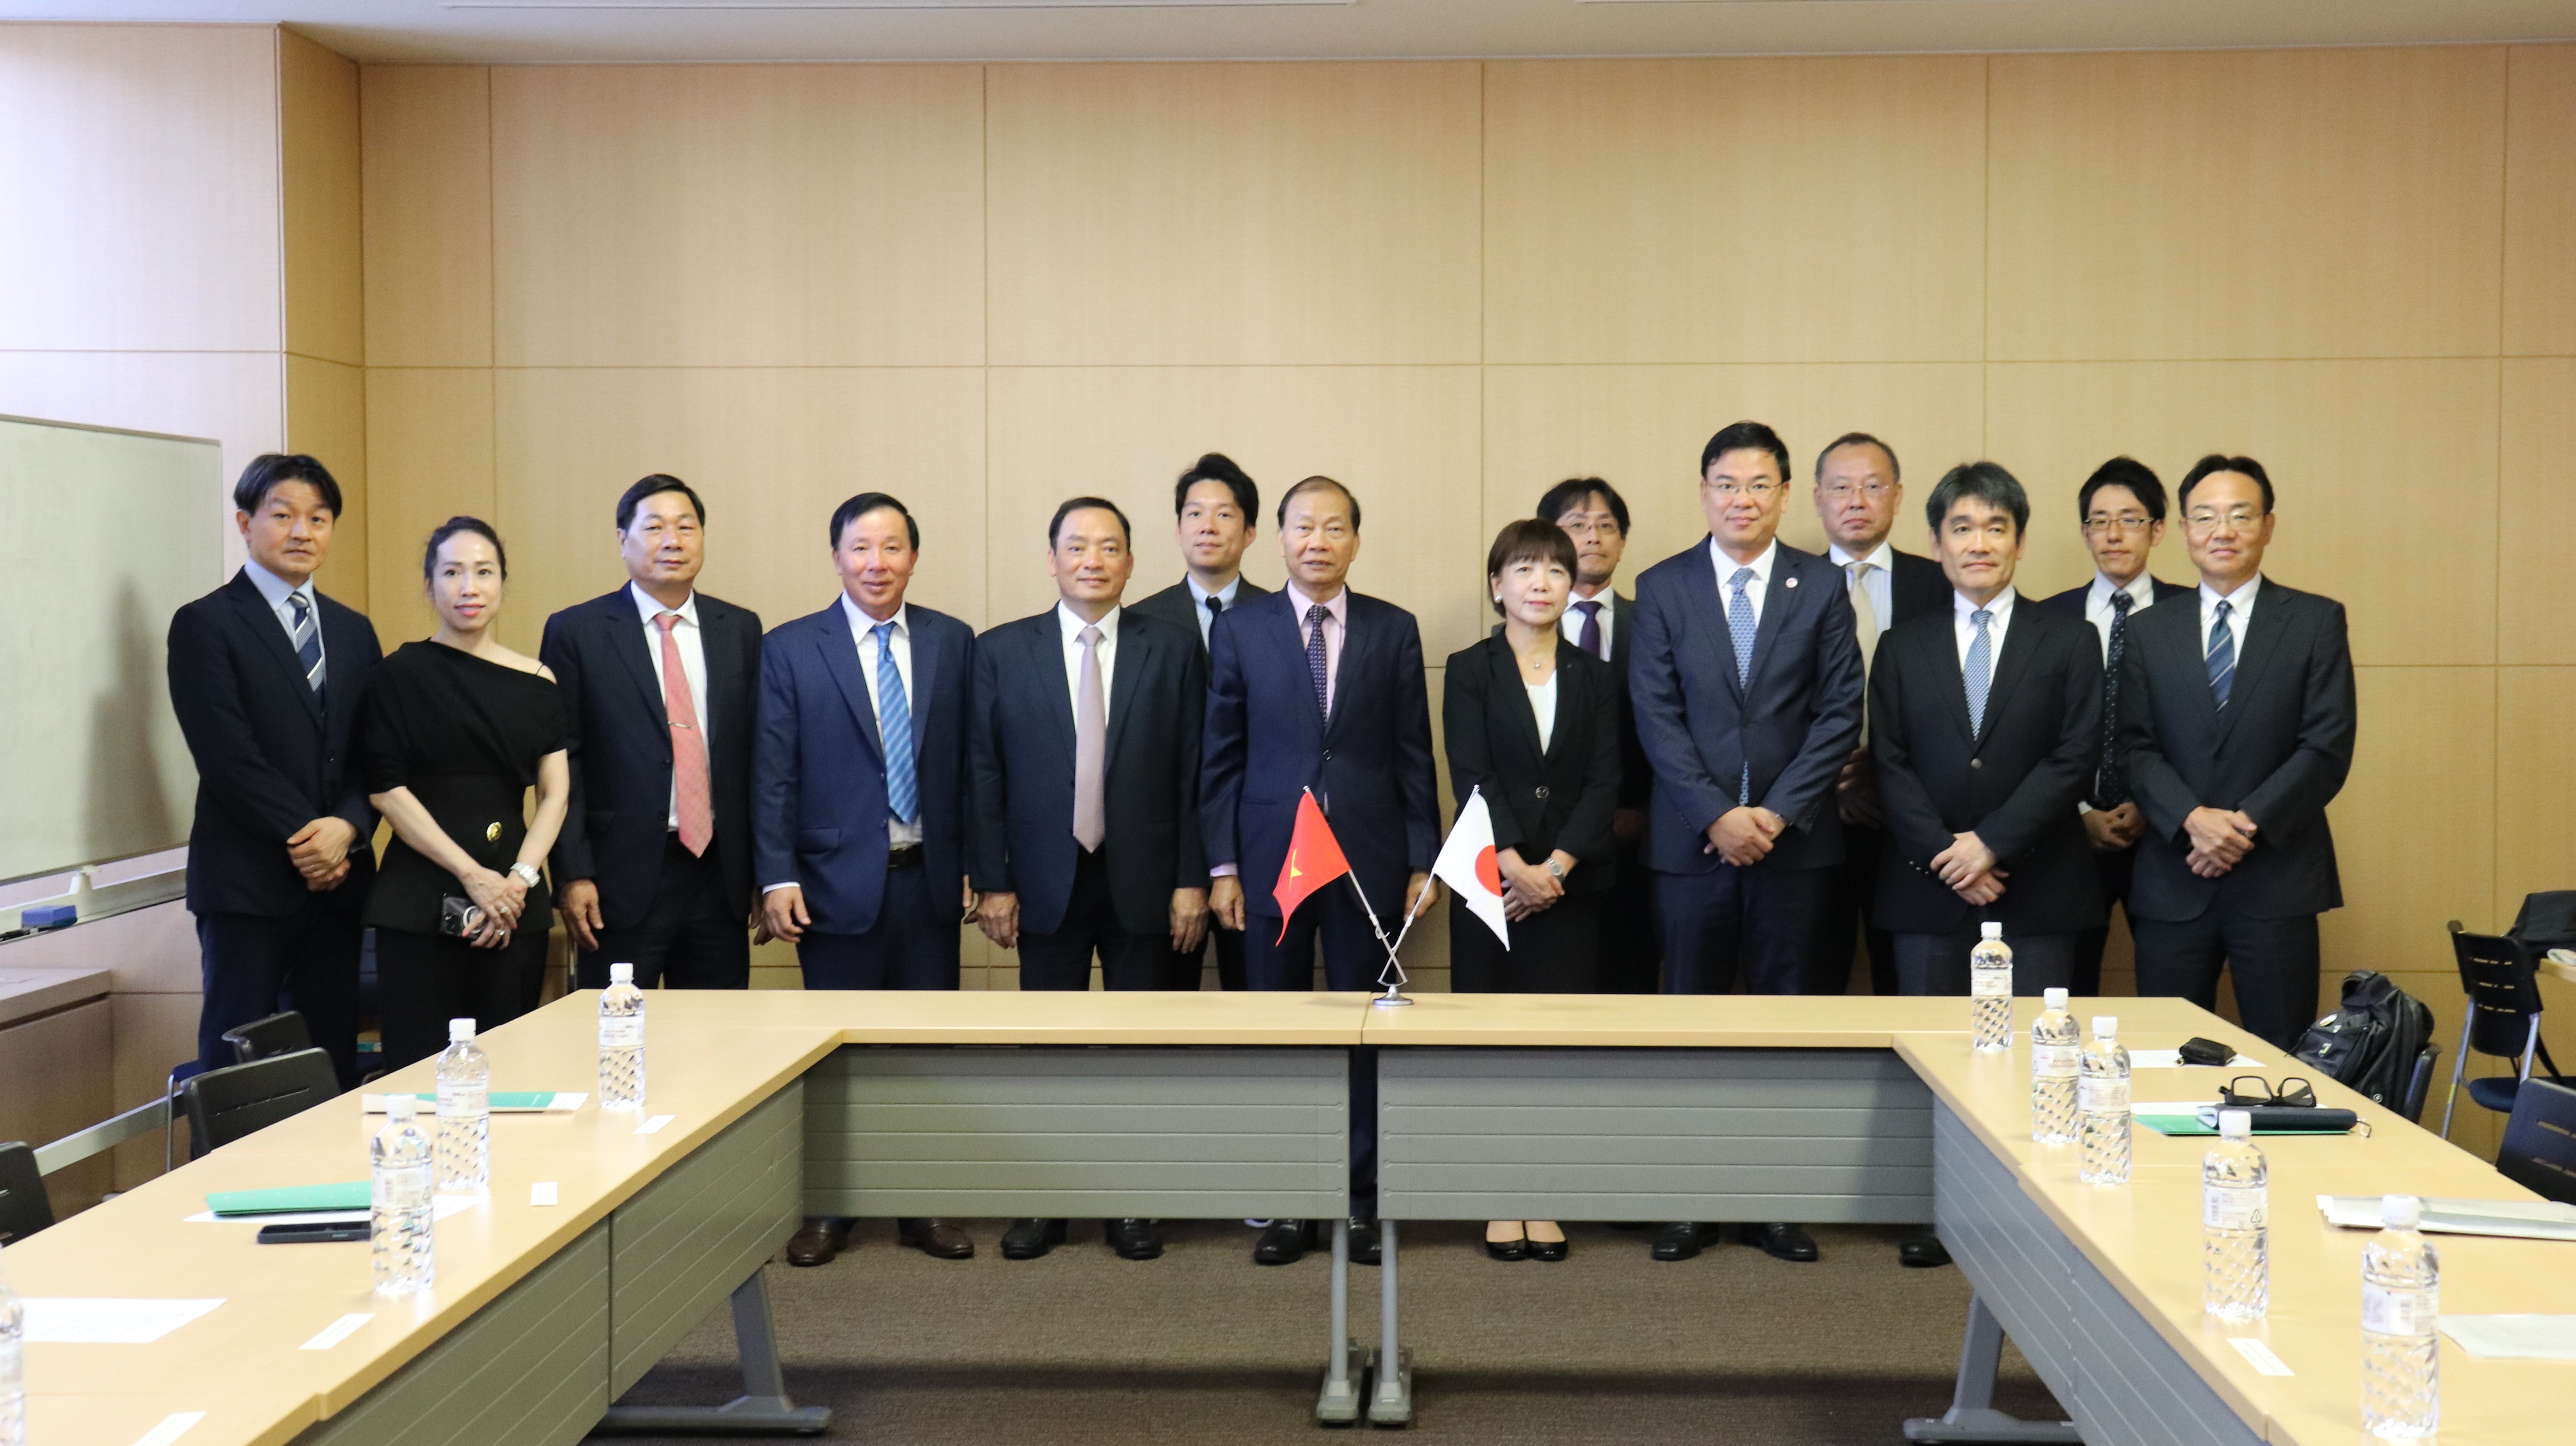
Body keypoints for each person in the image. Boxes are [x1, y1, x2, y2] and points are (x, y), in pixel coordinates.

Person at [1631, 420, 1863, 1265]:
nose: (1742, 499)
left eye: (1759, 484)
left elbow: (1841, 710)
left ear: (1785, 494)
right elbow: (1656, 713)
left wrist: (1775, 813)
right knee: (1689, 1024)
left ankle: (1776, 1202)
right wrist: (1716, 815)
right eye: (1726, 484)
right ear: (1703, 492)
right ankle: (1690, 1200)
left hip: (1793, 850)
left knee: (1785, 1026)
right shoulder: (1662, 586)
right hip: (1691, 850)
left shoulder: (1821, 585)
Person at [1203, 475, 1440, 1267]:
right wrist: (1224, 864)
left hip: (1369, 860)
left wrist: (1422, 859)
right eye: (1303, 527)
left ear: (1356, 541)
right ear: (1279, 539)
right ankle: (1291, 1199)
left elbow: (1414, 753)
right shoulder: (1242, 629)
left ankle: (1361, 1197)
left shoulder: (1392, 629)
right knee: (1280, 1031)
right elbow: (1221, 755)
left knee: (1364, 1030)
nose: (1317, 541)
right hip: (1273, 858)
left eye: (1334, 527)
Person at [970, 497, 1209, 1263]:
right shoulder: (1002, 651)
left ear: (1131, 562)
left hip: (1148, 881)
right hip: (1043, 881)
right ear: (1051, 560)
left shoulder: (1172, 649)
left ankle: (1134, 1199)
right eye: (1077, 546)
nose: (1093, 560)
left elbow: (1195, 773)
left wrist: (1192, 879)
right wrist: (994, 881)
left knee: (1141, 1050)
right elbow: (983, 774)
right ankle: (1044, 1199)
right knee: (1049, 1050)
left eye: (1109, 547)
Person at [756, 492, 979, 1266]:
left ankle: (922, 1205)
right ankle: (829, 1209)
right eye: (860, 548)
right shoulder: (791, 648)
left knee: (926, 1056)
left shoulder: (953, 640)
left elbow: (971, 766)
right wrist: (776, 875)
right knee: (835, 1057)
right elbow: (772, 774)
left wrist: (979, 867)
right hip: (829, 884)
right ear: (836, 557)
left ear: (913, 556)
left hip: (929, 881)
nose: (876, 563)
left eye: (891, 547)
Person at [2120, 456, 2354, 1049]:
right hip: (2174, 878)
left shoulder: (2315, 621)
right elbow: (2133, 747)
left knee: (2283, 1058)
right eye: (2205, 517)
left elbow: (2326, 747)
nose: (2222, 531)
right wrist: (2193, 821)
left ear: (2268, 526)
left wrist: (2242, 827)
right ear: (2183, 531)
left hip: (2277, 879)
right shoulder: (2148, 631)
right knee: (2166, 1056)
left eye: (2240, 516)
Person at [167, 455, 383, 1088]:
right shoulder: (205, 623)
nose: (302, 532)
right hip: (247, 883)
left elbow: (373, 753)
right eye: (284, 515)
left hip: (338, 886)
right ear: (245, 523)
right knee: (240, 1066)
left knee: (330, 1061)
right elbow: (228, 757)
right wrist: (311, 841)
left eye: (318, 518)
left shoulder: (353, 631)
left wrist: (347, 828)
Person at [1445, 519, 1622, 1263]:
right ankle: (1497, 1193)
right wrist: (1514, 863)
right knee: (1490, 1045)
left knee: (1555, 1047)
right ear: (1497, 585)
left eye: (1554, 570)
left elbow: (1606, 780)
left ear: (1571, 585)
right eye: (1523, 569)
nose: (1540, 583)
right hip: (1490, 886)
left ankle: (1545, 1193)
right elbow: (1472, 771)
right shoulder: (1469, 668)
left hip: (1570, 890)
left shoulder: (1597, 676)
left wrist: (1556, 869)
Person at [1868, 462, 2103, 996]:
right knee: (1929, 1042)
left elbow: (2075, 755)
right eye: (1962, 528)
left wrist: (1991, 844)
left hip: (2038, 888)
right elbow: (1889, 761)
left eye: (1996, 528)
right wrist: (1949, 857)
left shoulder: (2070, 639)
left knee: (2035, 1043)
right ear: (1936, 543)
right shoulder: (1901, 646)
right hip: (1929, 889)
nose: (1980, 544)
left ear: (2020, 541)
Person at [358, 518, 570, 1072]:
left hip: (514, 902)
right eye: (452, 573)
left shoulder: (540, 681)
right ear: (429, 585)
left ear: (503, 582)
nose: (469, 587)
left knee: (510, 1071)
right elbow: (386, 790)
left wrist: (518, 882)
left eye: (483, 572)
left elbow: (555, 795)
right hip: (418, 898)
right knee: (418, 1073)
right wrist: (472, 875)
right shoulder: (398, 675)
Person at [541, 474, 763, 990]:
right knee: (617, 1027)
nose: (673, 540)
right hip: (619, 877)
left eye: (686, 527)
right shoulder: (577, 631)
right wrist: (573, 871)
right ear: (623, 540)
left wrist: (764, 870)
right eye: (655, 527)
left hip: (720, 874)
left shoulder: (740, 628)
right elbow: (563, 758)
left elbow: (757, 756)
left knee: (720, 1029)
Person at [2036, 458, 2195, 996]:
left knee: (2171, 994)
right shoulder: (2049, 620)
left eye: (2129, 519)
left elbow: (2199, 731)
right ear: (2085, 533)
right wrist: (2080, 811)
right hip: (2069, 834)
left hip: (2169, 835)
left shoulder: (2193, 613)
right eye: (2099, 521)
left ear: (2157, 529)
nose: (2113, 534)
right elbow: (2036, 732)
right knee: (2068, 991)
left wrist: (2157, 806)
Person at [1807, 433, 1950, 999]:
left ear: (1898, 496)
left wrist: (1890, 781)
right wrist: (1833, 780)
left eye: (1873, 486)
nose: (1857, 501)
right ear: (1818, 497)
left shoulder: (1942, 583)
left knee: (1909, 983)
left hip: (1915, 820)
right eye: (1841, 487)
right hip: (1814, 817)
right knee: (1816, 979)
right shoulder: (1791, 585)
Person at [1129, 453, 1268, 990]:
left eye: (1225, 514)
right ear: (1178, 528)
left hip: (1256, 840)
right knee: (1164, 1006)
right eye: (1195, 513)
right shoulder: (1139, 623)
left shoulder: (1281, 618)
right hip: (1164, 851)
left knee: (1258, 1000)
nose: (1208, 526)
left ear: (1251, 532)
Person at [1537, 477, 1660, 993]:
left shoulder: (1657, 622)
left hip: (1639, 839)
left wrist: (1647, 811)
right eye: (1578, 525)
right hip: (1548, 849)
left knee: (1629, 984)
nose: (1593, 537)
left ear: (1623, 541)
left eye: (1606, 526)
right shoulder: (1518, 634)